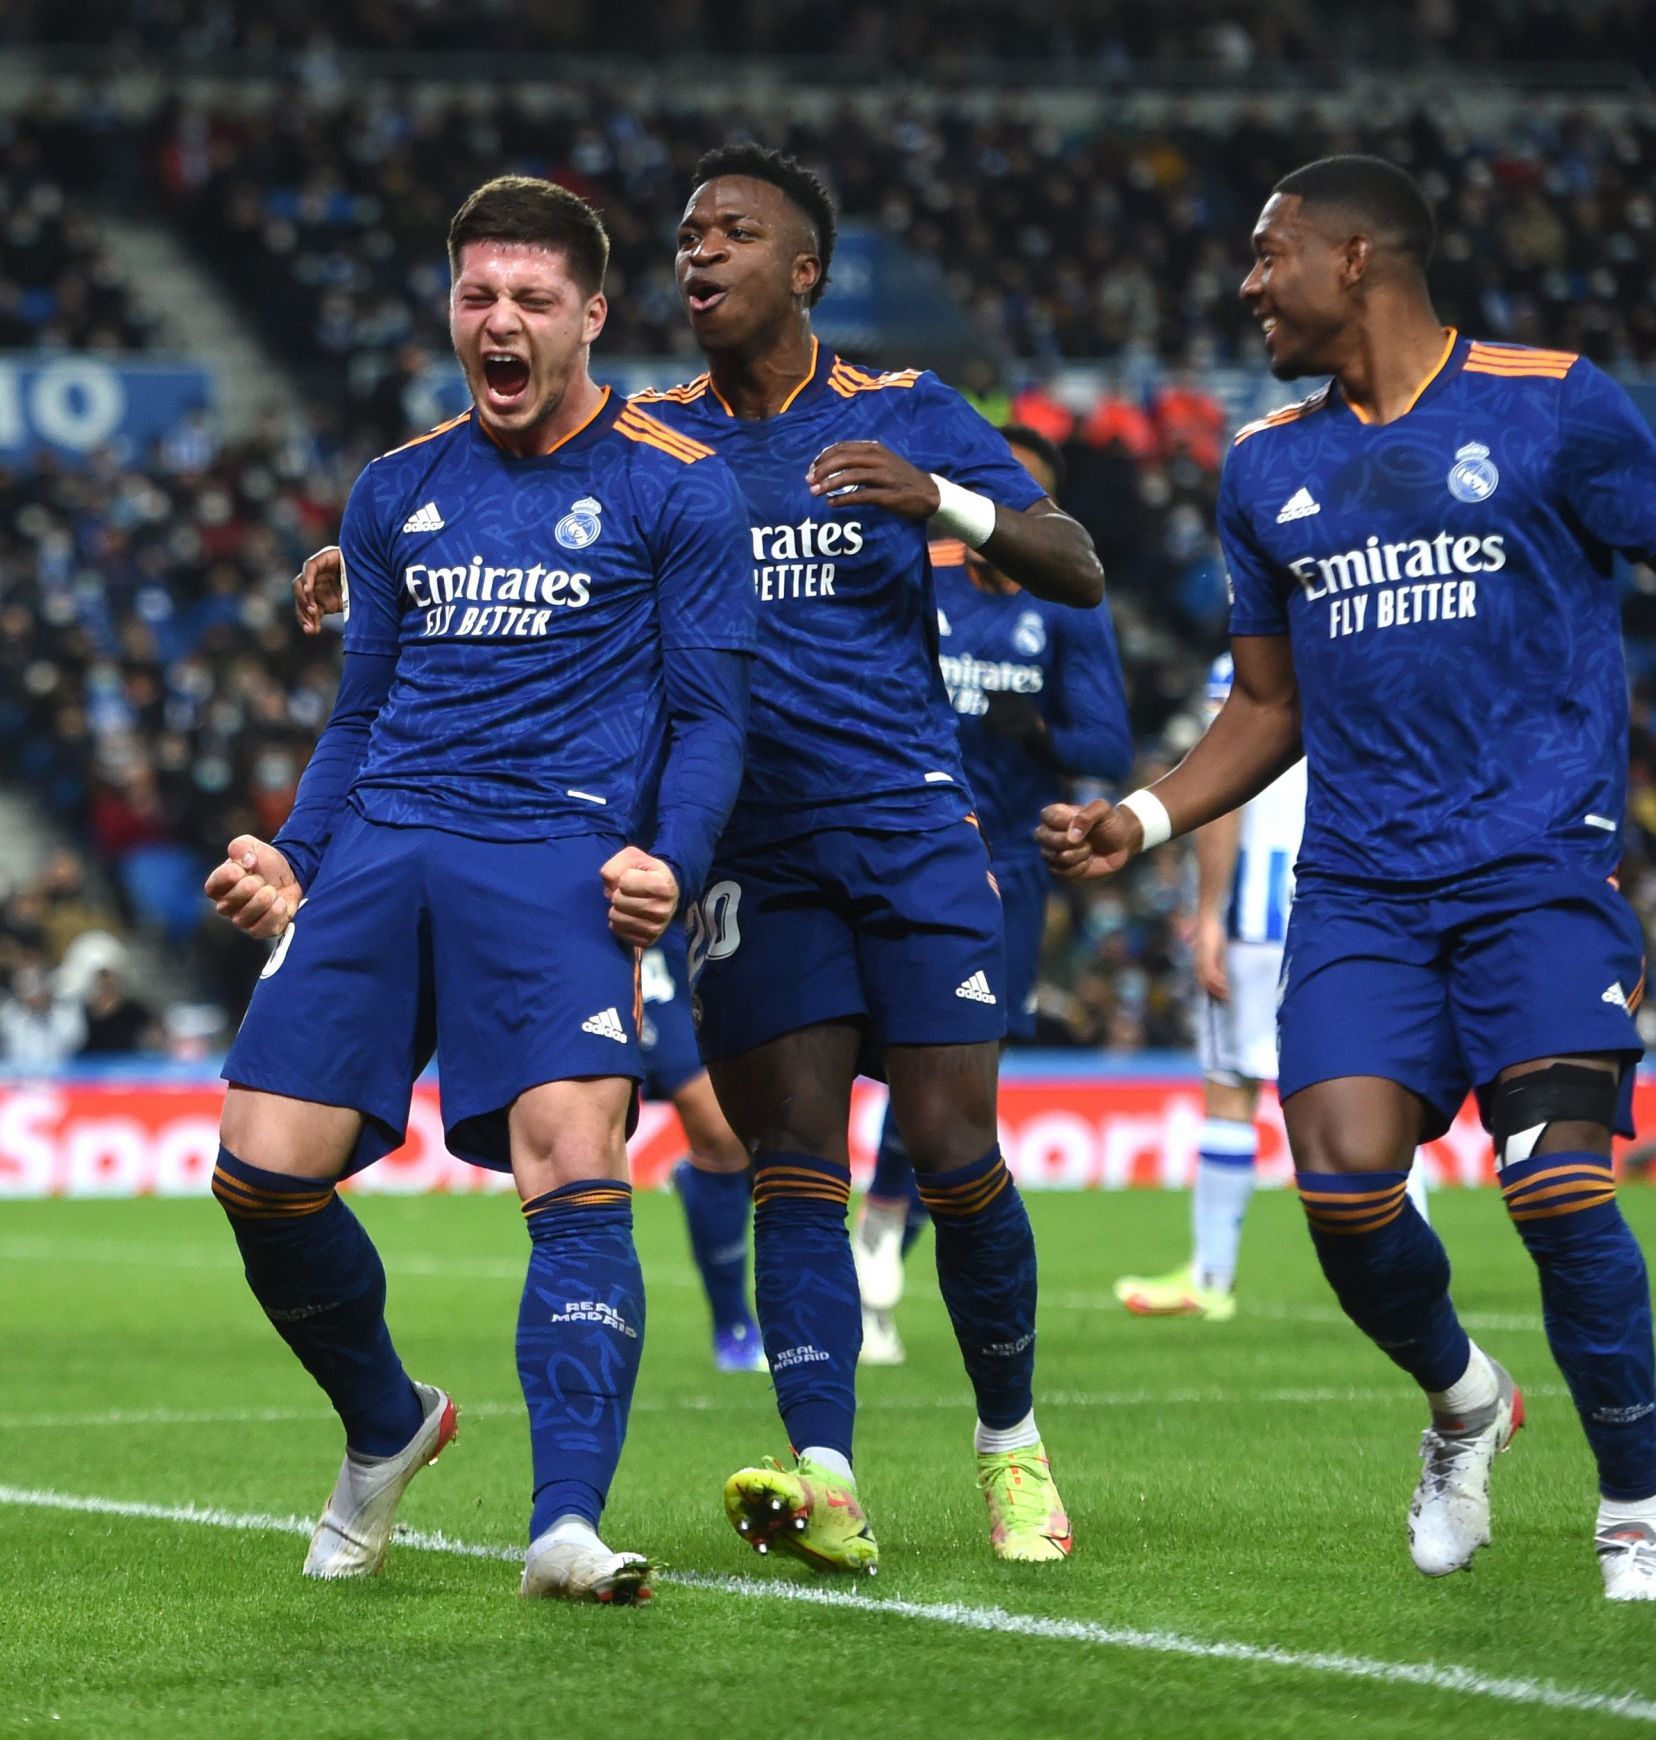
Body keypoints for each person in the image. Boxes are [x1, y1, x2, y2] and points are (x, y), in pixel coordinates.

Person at [298, 145, 1105, 1572]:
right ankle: (828, 1473)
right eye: (685, 236)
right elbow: (489, 520)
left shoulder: (905, 413)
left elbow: (1076, 563)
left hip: (911, 821)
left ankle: (1010, 1446)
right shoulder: (653, 442)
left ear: (805, 269)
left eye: (734, 234)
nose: (700, 255)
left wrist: (947, 507)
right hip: (743, 849)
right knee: (794, 1159)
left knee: (953, 1147)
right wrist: (359, 575)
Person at [1040, 154, 1656, 1602]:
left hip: (1536, 874)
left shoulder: (1551, 401)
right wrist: (1141, 823)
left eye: (1269, 256)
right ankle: (1464, 1400)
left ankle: (1635, 1512)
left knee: (1558, 1191)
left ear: (1355, 262)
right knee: (1341, 1187)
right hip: (1363, 890)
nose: (1246, 284)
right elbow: (1266, 710)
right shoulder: (1267, 462)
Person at [211, 175, 755, 1605]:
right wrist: (292, 852)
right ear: (452, 309)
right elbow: (357, 712)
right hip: (385, 841)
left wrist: (672, 859)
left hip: (557, 857)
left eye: (528, 300)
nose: (497, 323)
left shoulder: (673, 485)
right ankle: (390, 1424)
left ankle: (564, 1524)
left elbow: (710, 718)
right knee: (261, 1173)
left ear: (589, 314)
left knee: (575, 1168)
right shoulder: (396, 489)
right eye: (475, 297)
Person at [853, 424, 1132, 1365]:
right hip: (900, 844)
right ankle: (853, 1252)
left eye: (1036, 507)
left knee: (952, 1078)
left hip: (1006, 870)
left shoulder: (1066, 608)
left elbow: (1108, 748)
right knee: (882, 1055)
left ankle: (883, 1233)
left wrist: (1040, 732)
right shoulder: (919, 580)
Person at [1109, 656, 1428, 1323]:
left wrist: (1210, 915)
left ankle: (1210, 1275)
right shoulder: (1359, 634)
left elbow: (1223, 795)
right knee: (1375, 1085)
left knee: (1229, 1086)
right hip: (1354, 896)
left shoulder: (1241, 664)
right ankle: (1413, 1270)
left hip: (1263, 907)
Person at [635, 935, 765, 1369]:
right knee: (719, 1127)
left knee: (758, 1126)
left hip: (719, 920)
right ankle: (734, 1323)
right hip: (637, 936)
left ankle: (706, 1186)